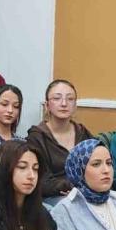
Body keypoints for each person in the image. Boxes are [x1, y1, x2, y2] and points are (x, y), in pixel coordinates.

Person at [26, 79, 92, 207]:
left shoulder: (83, 133)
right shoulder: (37, 137)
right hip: (51, 198)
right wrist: (69, 187)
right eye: (57, 98)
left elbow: (97, 165)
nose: (64, 103)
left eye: (70, 99)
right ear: (47, 105)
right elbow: (39, 180)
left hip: (85, 193)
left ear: (75, 105)